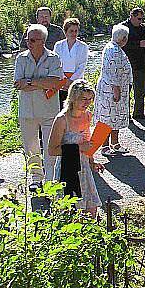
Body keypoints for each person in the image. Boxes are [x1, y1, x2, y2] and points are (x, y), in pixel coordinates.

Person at [14, 24, 64, 191]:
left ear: (42, 41)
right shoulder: (21, 58)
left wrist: (30, 81)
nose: (29, 42)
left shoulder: (54, 58)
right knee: (31, 146)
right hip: (27, 111)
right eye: (27, 39)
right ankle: (36, 178)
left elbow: (55, 82)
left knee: (51, 146)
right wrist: (41, 82)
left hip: (49, 111)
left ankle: (50, 180)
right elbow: (19, 84)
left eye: (33, 40)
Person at [48, 79, 103, 216]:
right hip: (68, 168)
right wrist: (79, 148)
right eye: (83, 99)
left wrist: (92, 162)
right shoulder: (62, 119)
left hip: (84, 167)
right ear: (73, 98)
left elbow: (87, 143)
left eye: (90, 99)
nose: (87, 103)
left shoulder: (88, 116)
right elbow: (52, 150)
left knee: (91, 211)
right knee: (72, 213)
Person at [94, 24, 133, 153]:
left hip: (116, 87)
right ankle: (105, 146)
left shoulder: (112, 47)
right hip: (112, 89)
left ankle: (115, 143)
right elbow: (113, 72)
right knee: (108, 117)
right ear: (123, 38)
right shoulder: (114, 50)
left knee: (115, 116)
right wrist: (116, 90)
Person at [123, 7, 145, 121]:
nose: (140, 21)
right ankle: (126, 115)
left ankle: (138, 113)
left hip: (141, 64)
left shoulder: (142, 28)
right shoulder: (123, 28)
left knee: (141, 90)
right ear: (131, 16)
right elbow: (121, 44)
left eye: (142, 19)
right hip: (127, 64)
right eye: (139, 19)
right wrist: (138, 44)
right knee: (126, 91)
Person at [53, 17, 89, 107]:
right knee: (60, 107)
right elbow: (56, 64)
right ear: (65, 32)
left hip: (77, 81)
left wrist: (72, 81)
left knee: (74, 107)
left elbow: (82, 66)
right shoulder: (58, 45)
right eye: (71, 31)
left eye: (76, 31)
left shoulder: (83, 46)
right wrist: (65, 80)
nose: (74, 33)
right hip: (61, 81)